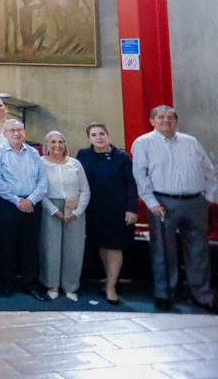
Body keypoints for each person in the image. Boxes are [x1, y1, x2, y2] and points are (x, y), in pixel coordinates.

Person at [132, 106, 218, 313]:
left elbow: (209, 170)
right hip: (162, 204)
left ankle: (201, 294)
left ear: (176, 121)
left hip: (195, 202)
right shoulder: (143, 143)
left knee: (199, 251)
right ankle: (165, 294)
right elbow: (140, 176)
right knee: (163, 251)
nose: (166, 121)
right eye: (160, 117)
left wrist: (206, 198)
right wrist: (151, 203)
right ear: (152, 121)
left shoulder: (190, 142)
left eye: (171, 117)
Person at [77, 122, 137, 305]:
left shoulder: (121, 156)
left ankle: (111, 287)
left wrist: (132, 208)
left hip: (117, 209)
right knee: (103, 246)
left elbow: (131, 185)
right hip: (93, 209)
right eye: (94, 135)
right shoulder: (83, 155)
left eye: (102, 133)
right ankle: (112, 280)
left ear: (109, 135)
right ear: (89, 138)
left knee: (114, 247)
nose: (98, 138)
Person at [0, 119, 50, 301]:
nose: (16, 133)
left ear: (24, 132)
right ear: (5, 133)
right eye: (12, 130)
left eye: (19, 130)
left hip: (32, 205)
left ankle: (30, 283)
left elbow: (42, 181)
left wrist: (30, 200)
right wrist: (17, 201)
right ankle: (7, 283)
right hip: (8, 205)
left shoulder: (33, 153)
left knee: (30, 246)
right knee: (6, 246)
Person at [39, 131, 90, 301]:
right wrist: (54, 210)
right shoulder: (40, 163)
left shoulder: (75, 164)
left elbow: (85, 190)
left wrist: (77, 211)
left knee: (74, 249)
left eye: (61, 141)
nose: (57, 145)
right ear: (46, 144)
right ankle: (52, 284)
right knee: (50, 248)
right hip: (50, 208)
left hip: (74, 208)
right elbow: (39, 190)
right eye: (53, 141)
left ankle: (70, 286)